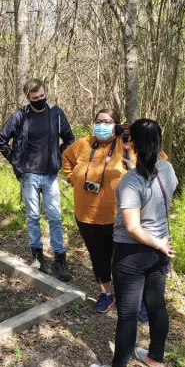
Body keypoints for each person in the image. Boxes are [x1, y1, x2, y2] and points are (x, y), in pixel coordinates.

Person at [89, 119, 178, 367]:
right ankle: (155, 358)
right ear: (159, 142)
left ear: (134, 143)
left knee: (128, 314)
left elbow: (132, 227)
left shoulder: (130, 182)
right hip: (160, 250)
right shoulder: (168, 169)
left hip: (134, 253)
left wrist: (156, 243)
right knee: (157, 306)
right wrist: (161, 243)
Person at [0, 79, 75, 281]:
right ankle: (37, 255)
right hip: (29, 175)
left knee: (55, 217)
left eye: (42, 96)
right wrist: (15, 160)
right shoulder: (20, 117)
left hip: (50, 175)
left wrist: (58, 155)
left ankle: (60, 257)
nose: (40, 100)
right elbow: (1, 139)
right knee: (32, 216)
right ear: (28, 98)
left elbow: (69, 139)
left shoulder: (56, 114)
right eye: (35, 98)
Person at [62, 108, 125, 313]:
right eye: (99, 121)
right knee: (97, 256)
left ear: (116, 125)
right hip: (86, 215)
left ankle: (131, 296)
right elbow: (66, 158)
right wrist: (72, 178)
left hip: (118, 217)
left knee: (123, 259)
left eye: (107, 122)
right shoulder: (83, 144)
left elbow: (158, 157)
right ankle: (106, 293)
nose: (102, 125)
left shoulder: (127, 145)